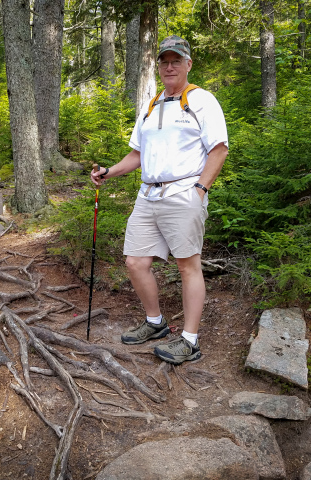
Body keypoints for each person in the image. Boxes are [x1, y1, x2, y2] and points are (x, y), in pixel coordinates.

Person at [90, 35, 228, 365]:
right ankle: (156, 324)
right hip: (148, 194)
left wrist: (200, 190)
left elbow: (219, 149)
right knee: (135, 262)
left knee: (187, 266)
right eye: (164, 61)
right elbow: (138, 153)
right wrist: (109, 171)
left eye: (176, 60)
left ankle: (190, 341)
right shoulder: (151, 106)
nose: (169, 66)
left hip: (184, 193)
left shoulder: (202, 101)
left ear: (188, 64)